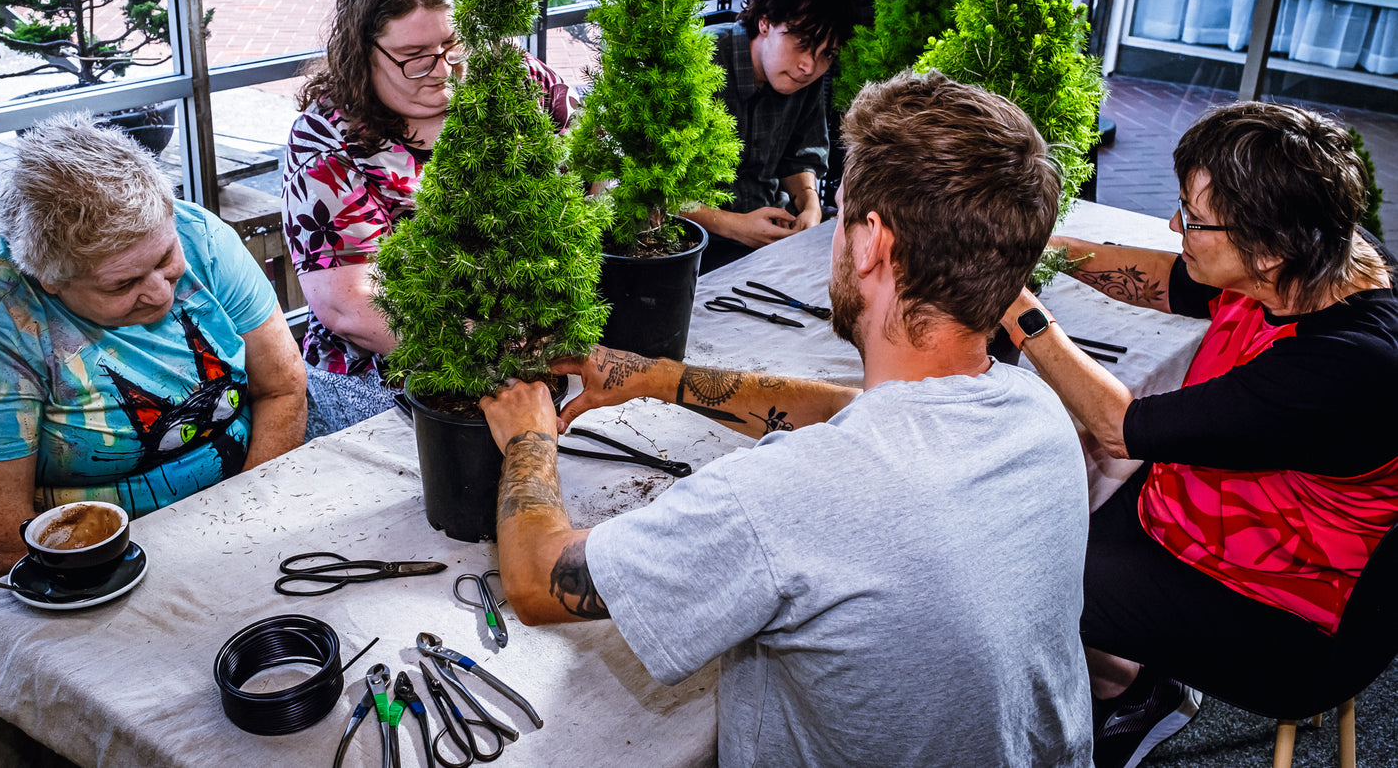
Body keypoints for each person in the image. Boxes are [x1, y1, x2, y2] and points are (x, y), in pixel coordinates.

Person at [481, 70, 1094, 766]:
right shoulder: (1038, 412)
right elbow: (858, 413)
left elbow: (536, 580)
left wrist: (529, 432)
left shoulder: (782, 496)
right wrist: (658, 378)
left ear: (872, 245)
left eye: (839, 212)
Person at [1000, 102, 1398, 768]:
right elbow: (1166, 280)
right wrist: (1040, 251)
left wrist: (1016, 304)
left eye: (1190, 215)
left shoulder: (1344, 364)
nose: (1171, 225)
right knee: (1044, 522)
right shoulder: (1320, 260)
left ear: (1268, 246)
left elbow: (1118, 427)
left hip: (1288, 612)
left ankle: (1129, 693)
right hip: (1220, 520)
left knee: (1019, 581)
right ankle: (1120, 681)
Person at [0, 115, 307, 599]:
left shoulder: (199, 234)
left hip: (242, 494)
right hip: (95, 563)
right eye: (122, 284)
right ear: (49, 280)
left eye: (165, 260)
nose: (162, 292)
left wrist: (247, 528)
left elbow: (283, 385)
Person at [282, 0, 577, 437]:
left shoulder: (516, 80)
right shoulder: (327, 144)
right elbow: (350, 305)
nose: (441, 70)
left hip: (533, 341)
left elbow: (589, 168)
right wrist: (488, 347)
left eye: (452, 44)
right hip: (390, 373)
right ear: (362, 49)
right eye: (413, 56)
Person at [683, 0, 861, 272]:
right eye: (802, 44)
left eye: (826, 55)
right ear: (765, 23)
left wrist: (809, 203)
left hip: (770, 236)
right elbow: (649, 184)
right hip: (687, 243)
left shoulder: (804, 75)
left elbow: (799, 158)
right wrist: (733, 225)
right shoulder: (698, 57)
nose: (809, 66)